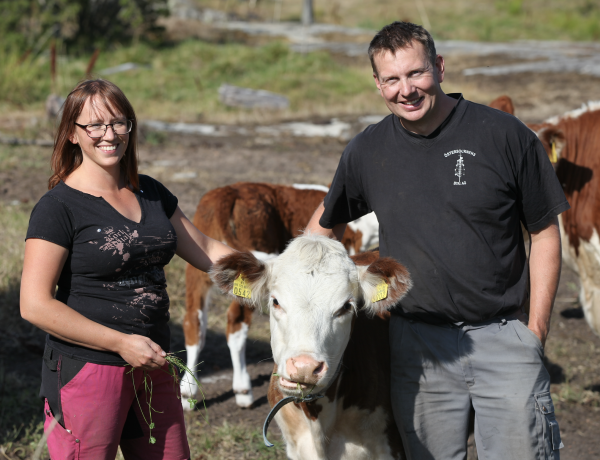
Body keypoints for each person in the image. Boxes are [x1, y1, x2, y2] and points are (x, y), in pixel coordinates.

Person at [306, 21, 568, 460]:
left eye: (416, 74)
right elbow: (320, 231)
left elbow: (544, 232)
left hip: (502, 337)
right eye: (391, 79)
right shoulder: (367, 151)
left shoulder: (504, 136)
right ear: (377, 83)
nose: (405, 90)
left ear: (440, 68)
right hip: (417, 347)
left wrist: (534, 332)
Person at [20, 79, 236, 459]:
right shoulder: (58, 208)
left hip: (153, 365)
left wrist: (274, 273)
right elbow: (35, 305)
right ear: (73, 133)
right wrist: (121, 343)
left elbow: (206, 249)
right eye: (96, 126)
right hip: (89, 369)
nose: (109, 135)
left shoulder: (150, 192)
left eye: (119, 122)